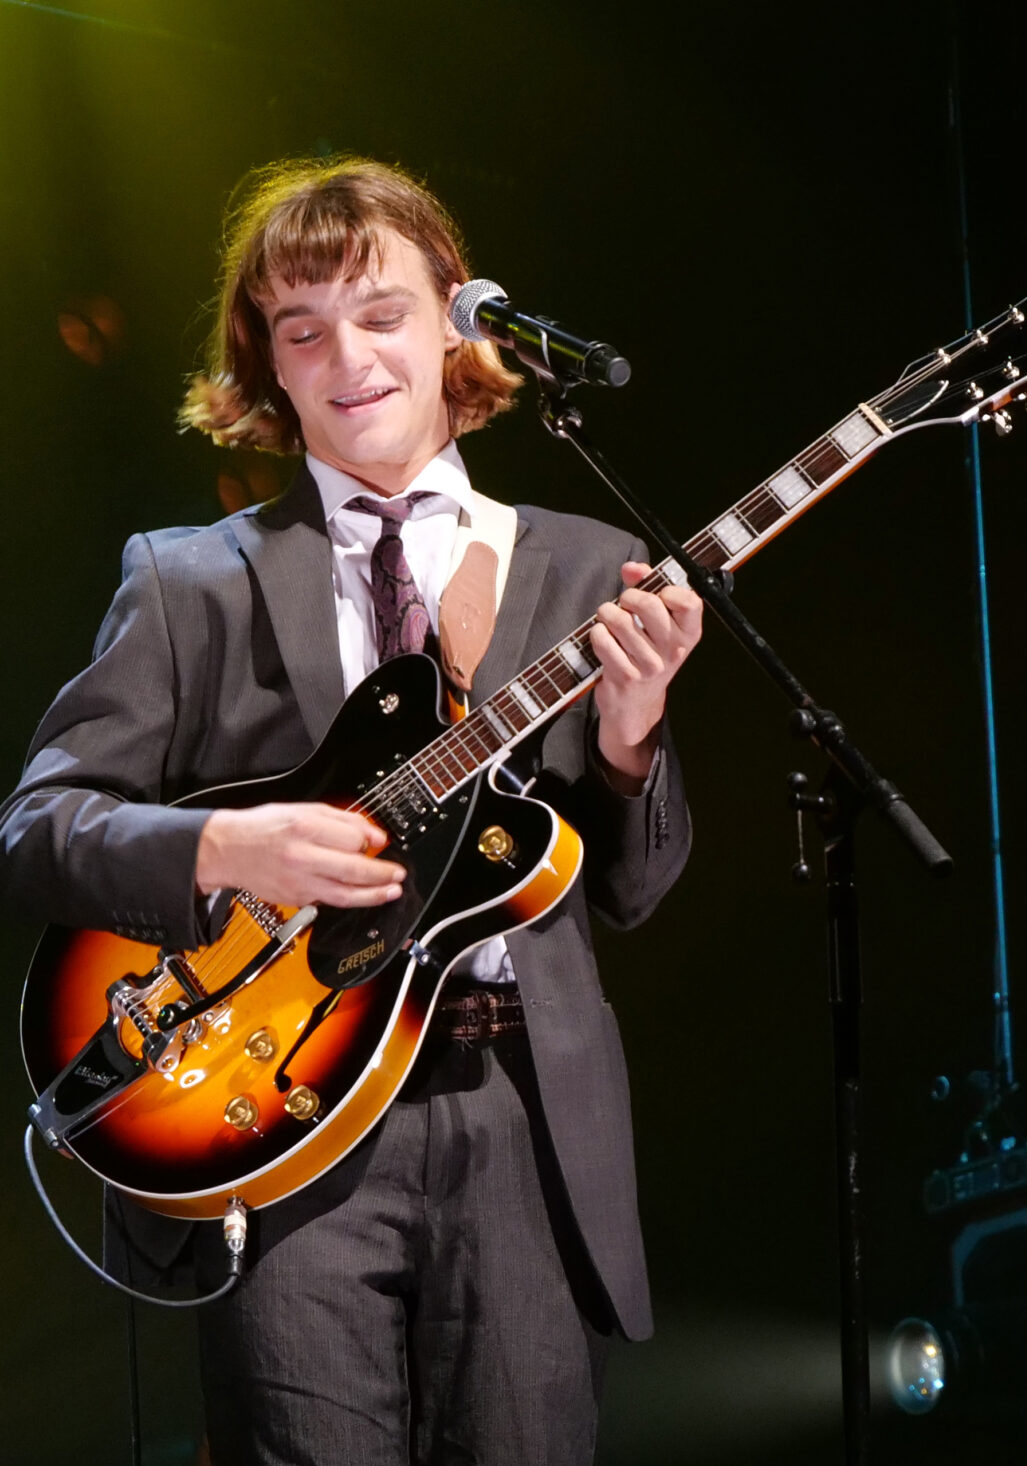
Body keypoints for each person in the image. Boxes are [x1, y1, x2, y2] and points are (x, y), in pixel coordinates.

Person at [0, 156, 702, 1465]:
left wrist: (628, 737)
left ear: (456, 319)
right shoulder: (187, 580)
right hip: (280, 1121)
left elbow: (634, 885)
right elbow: (39, 824)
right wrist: (220, 843)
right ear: (266, 360)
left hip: (521, 1120)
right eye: (302, 327)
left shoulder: (575, 562)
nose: (348, 356)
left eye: (381, 313)